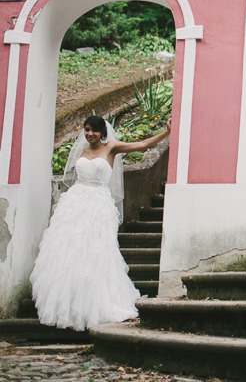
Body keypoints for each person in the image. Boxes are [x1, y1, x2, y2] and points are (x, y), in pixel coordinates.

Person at [30, 115, 170, 331]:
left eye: (94, 130)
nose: (89, 134)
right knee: (69, 250)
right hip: (75, 203)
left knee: (96, 252)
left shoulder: (111, 147)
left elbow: (142, 144)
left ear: (102, 132)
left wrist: (166, 132)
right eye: (86, 130)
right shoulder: (80, 152)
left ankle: (96, 305)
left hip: (98, 204)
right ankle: (66, 305)